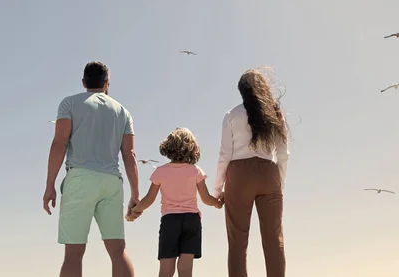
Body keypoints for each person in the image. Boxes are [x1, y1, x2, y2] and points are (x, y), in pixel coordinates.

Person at [42, 61, 141, 277]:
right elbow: (129, 155)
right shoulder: (123, 112)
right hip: (112, 182)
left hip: (80, 179)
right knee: (118, 250)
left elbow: (59, 143)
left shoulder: (69, 104)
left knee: (74, 253)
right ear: (107, 83)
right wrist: (135, 193)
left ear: (83, 82)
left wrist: (50, 185)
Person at [213, 68, 290, 277]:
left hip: (239, 175)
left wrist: (218, 189)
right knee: (274, 241)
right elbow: (283, 153)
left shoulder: (231, 115)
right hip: (269, 172)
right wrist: (278, 182)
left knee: (237, 242)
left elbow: (224, 155)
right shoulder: (275, 113)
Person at [128, 127, 222, 277]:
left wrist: (134, 211)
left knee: (166, 268)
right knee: (185, 269)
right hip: (192, 220)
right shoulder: (196, 171)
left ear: (168, 148)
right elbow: (206, 198)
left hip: (170, 221)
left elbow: (149, 199)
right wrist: (217, 203)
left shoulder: (160, 171)